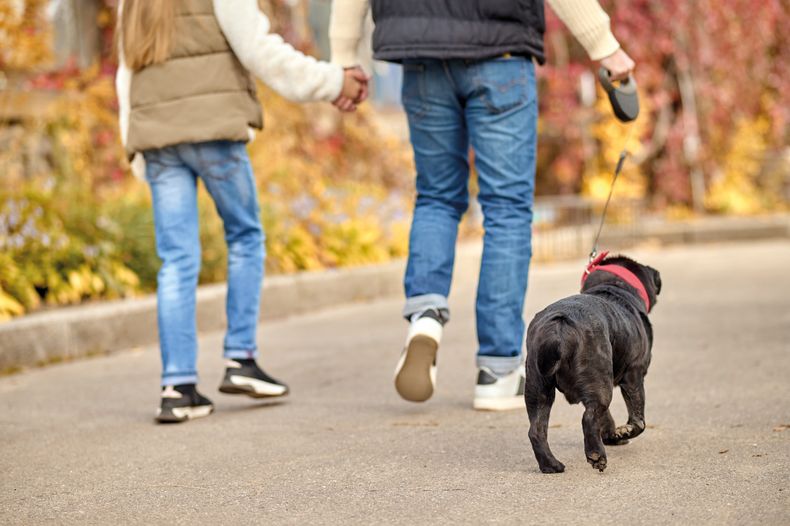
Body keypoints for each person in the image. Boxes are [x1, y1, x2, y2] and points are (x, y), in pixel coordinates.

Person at [329, 0, 635, 410]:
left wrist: (343, 57)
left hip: (423, 57)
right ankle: (497, 368)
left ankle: (425, 314)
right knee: (507, 209)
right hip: (500, 53)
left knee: (436, 196)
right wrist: (605, 46)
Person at [115, 0, 368, 423]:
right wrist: (332, 81)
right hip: (213, 131)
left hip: (156, 139)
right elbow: (258, 49)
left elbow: (126, 73)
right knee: (245, 236)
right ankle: (240, 359)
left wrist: (134, 145)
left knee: (176, 260)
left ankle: (177, 387)